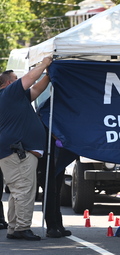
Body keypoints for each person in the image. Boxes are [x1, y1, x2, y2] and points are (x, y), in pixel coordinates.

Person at [0, 56, 52, 241]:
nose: (18, 81)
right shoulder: (9, 93)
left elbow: (37, 89)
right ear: (8, 83)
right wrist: (46, 63)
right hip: (18, 152)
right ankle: (22, 227)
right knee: (24, 189)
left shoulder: (14, 98)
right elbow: (30, 78)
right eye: (15, 79)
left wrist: (50, 74)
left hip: (16, 151)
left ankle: (15, 227)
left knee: (17, 192)